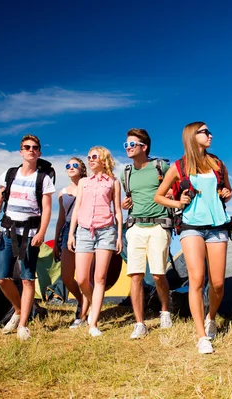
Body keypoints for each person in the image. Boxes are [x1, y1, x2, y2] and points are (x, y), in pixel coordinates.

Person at [154, 122, 232, 354]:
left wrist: (226, 193)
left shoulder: (217, 163)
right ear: (191, 136)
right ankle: (201, 336)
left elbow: (227, 191)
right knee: (196, 279)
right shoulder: (178, 166)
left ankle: (211, 317)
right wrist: (178, 203)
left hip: (218, 225)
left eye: (209, 132)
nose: (210, 135)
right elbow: (159, 196)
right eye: (205, 132)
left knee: (217, 283)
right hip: (191, 226)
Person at [0, 134, 55, 341]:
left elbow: (48, 209)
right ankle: (17, 311)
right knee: (1, 278)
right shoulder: (10, 174)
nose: (31, 150)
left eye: (35, 147)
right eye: (27, 147)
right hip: (8, 232)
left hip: (31, 234)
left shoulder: (44, 179)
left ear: (39, 152)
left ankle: (23, 324)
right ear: (21, 151)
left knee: (27, 279)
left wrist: (42, 232)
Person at [120, 128, 173, 339]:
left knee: (159, 274)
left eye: (132, 144)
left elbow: (176, 187)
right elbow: (130, 196)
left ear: (144, 147)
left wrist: (172, 192)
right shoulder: (126, 173)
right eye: (126, 145)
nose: (128, 148)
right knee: (135, 275)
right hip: (135, 227)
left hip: (159, 225)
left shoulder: (161, 166)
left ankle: (165, 311)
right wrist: (126, 203)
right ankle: (139, 323)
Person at [67, 146, 123, 337]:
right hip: (83, 231)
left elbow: (117, 211)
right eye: (89, 157)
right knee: (82, 279)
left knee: (99, 278)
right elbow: (77, 208)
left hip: (107, 231)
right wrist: (71, 233)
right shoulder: (83, 182)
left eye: (94, 157)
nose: (90, 160)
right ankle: (90, 303)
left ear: (104, 160)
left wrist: (119, 235)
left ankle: (94, 323)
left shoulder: (113, 183)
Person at [52, 157, 90, 328]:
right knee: (67, 276)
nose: (71, 167)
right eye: (68, 166)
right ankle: (82, 300)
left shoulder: (89, 186)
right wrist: (56, 241)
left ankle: (84, 313)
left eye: (75, 165)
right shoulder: (63, 192)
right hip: (67, 230)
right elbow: (61, 218)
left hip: (86, 228)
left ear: (82, 169)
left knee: (85, 277)